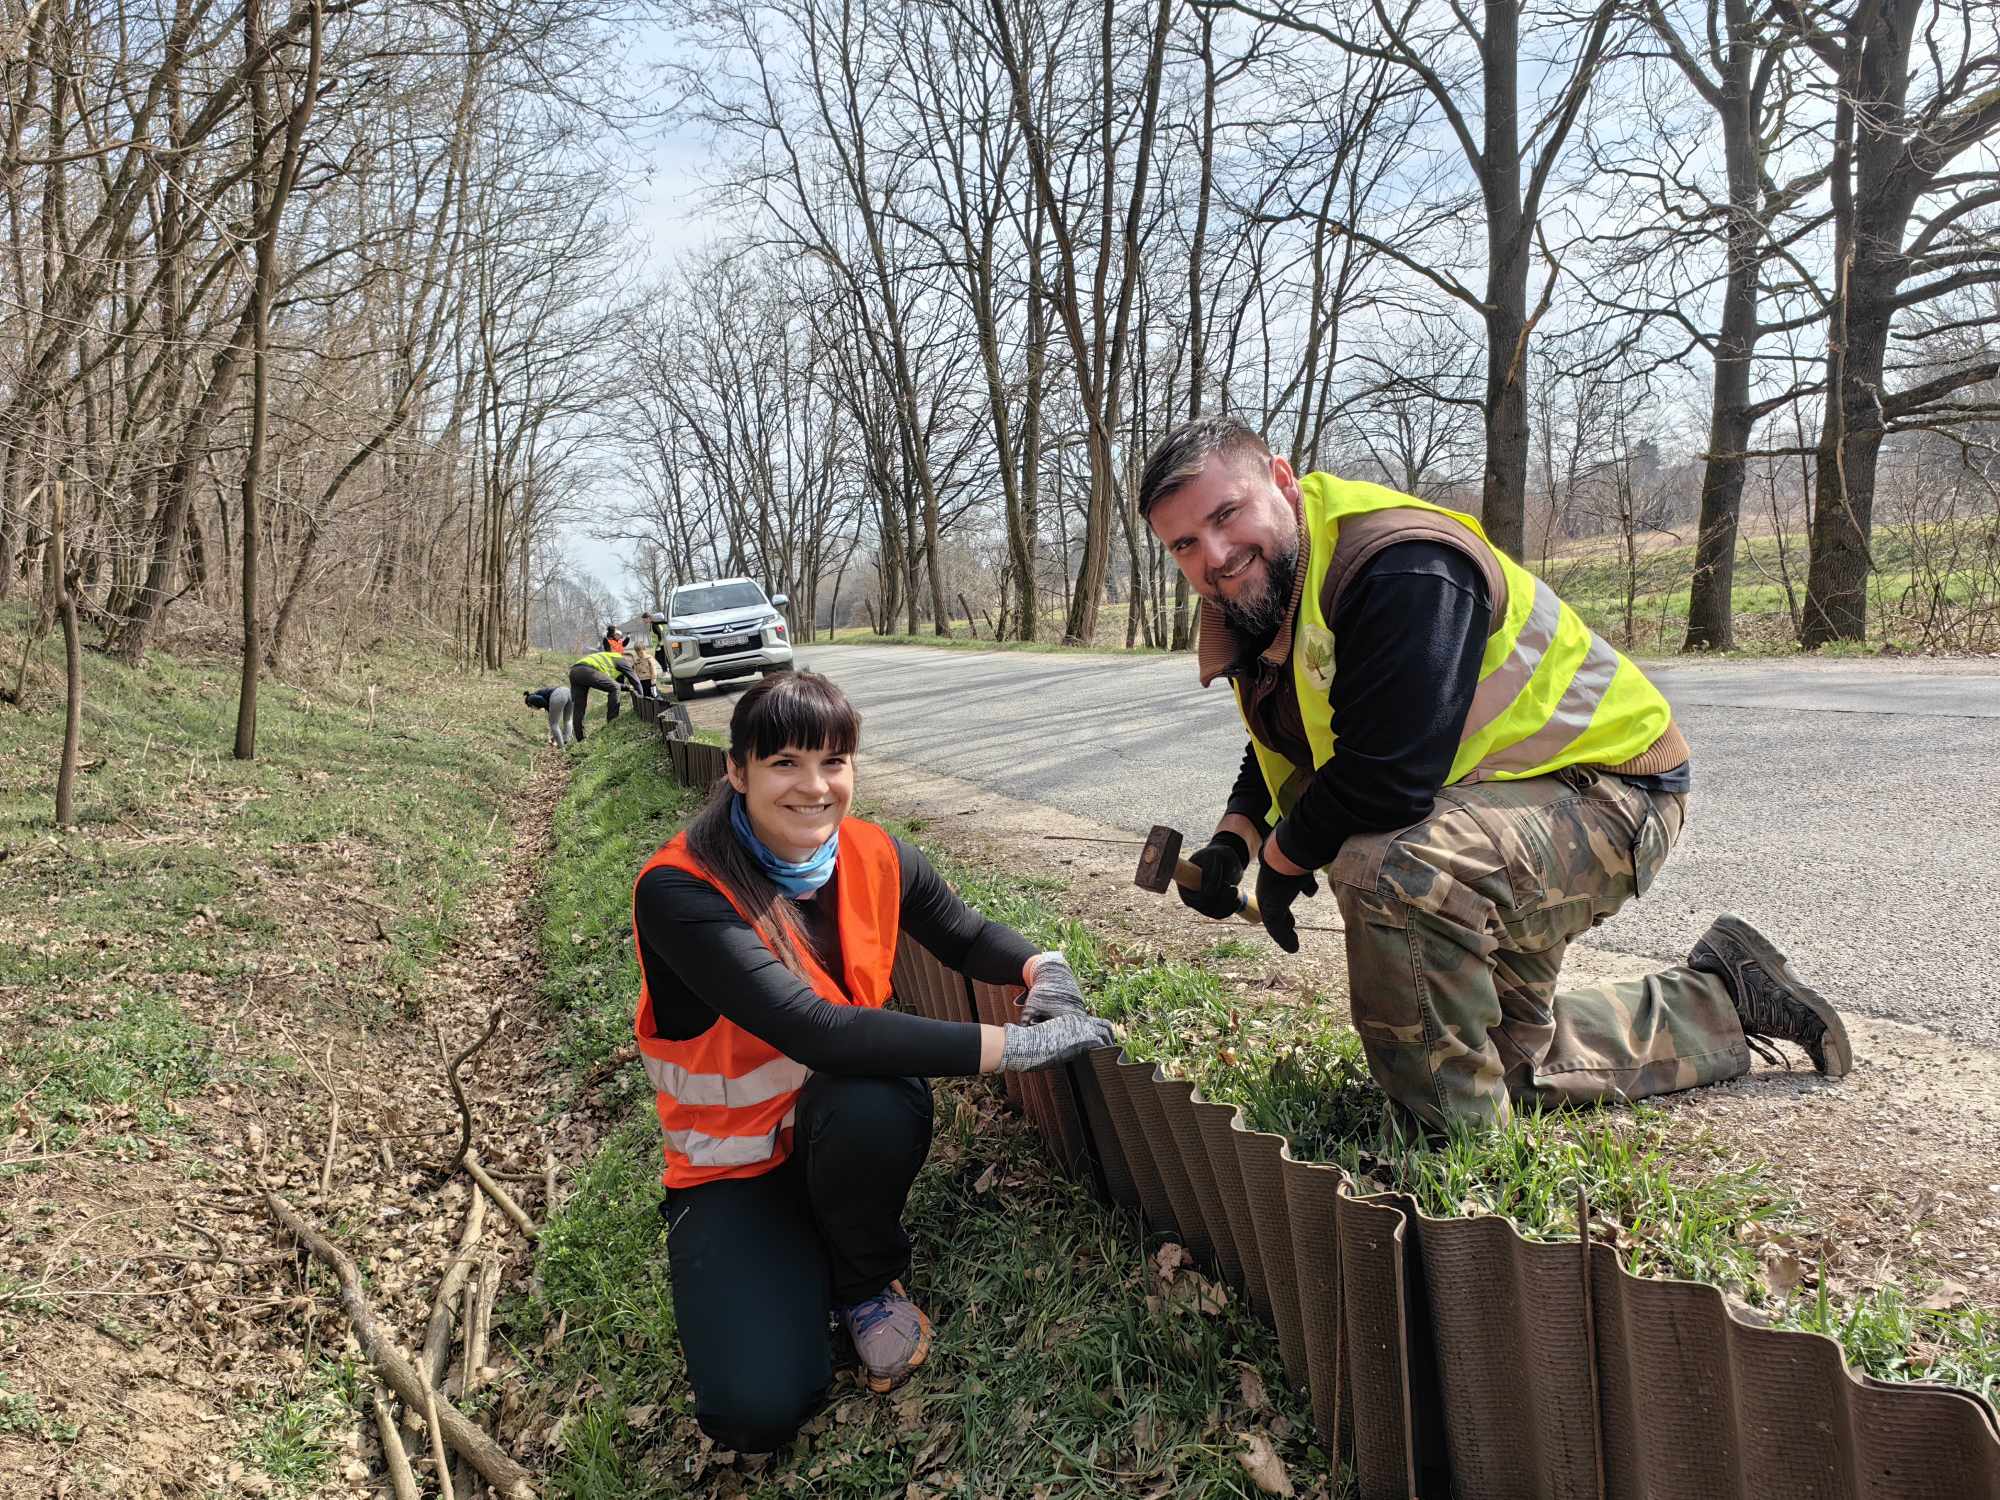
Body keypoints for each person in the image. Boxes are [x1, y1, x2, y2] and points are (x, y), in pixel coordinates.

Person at [1137, 415, 1851, 1138]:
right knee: (1495, 1061)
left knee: (1390, 868)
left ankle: (1450, 1147)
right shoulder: (1264, 591)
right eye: (1185, 544)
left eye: (1227, 514)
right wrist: (1235, 840)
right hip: (1502, 800)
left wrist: (1285, 859)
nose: (1216, 556)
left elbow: (1385, 778)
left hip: (1611, 791)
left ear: (1282, 481)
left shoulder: (1398, 561)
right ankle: (1724, 996)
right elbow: (1289, 730)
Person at [632, 672, 1112, 1453]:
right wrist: (1017, 1047)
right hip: (733, 1172)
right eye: (785, 763)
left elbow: (965, 935)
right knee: (757, 1412)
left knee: (878, 1095)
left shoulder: (872, 853)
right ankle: (785, 1252)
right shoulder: (681, 891)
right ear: (737, 771)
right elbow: (817, 1029)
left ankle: (861, 1279)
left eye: (834, 761)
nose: (815, 786)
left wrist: (1042, 967)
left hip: (841, 1131)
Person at [568, 646, 640, 742]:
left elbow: (612, 684)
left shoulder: (610, 659)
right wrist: (641, 696)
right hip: (587, 670)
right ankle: (612, 724)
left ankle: (580, 738)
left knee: (579, 707)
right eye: (632, 667)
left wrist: (628, 687)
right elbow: (636, 681)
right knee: (615, 688)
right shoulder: (622, 660)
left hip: (574, 672)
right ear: (630, 662)